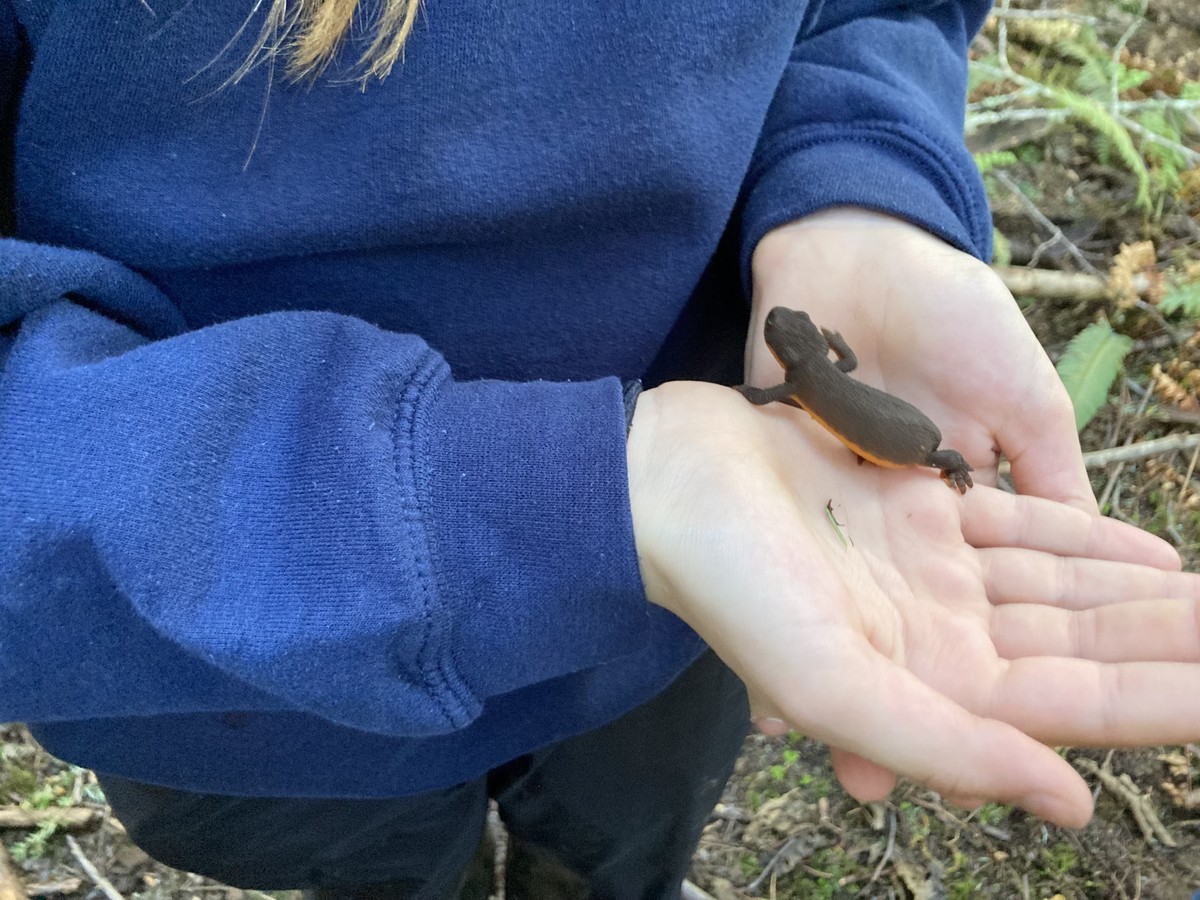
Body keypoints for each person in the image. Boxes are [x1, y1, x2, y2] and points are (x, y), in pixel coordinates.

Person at [2, 1, 1199, 897]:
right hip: (247, 688)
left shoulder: (802, 380)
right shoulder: (799, 380)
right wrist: (583, 487)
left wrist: (858, 193)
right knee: (378, 867)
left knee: (627, 828)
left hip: (697, 601)